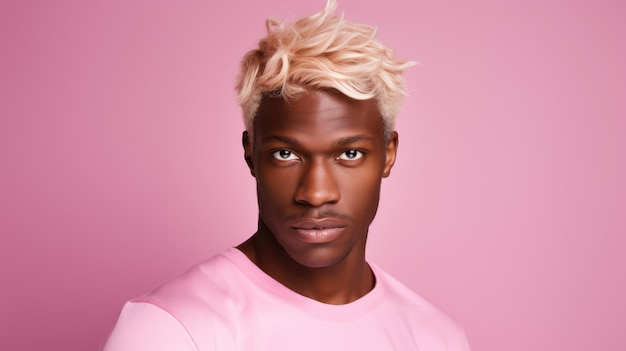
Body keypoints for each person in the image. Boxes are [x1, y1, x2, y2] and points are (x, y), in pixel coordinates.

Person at [103, 1, 470, 350]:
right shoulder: (173, 330)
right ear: (251, 154)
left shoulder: (436, 338)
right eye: (286, 154)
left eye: (349, 154)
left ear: (388, 155)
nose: (316, 193)